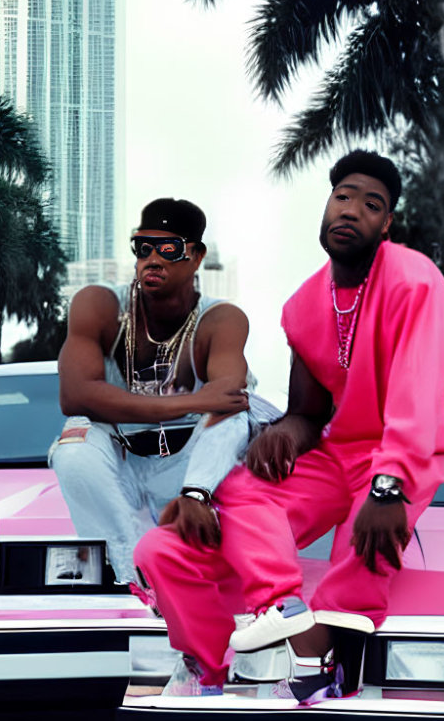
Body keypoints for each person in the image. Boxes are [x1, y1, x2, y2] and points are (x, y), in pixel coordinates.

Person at [135, 151, 444, 697]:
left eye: (370, 204)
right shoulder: (302, 305)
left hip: (401, 455)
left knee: (364, 550)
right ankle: (239, 642)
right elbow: (309, 413)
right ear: (327, 206)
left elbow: (417, 397)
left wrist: (389, 487)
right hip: (335, 455)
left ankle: (318, 669)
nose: (352, 210)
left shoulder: (413, 279)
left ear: (387, 223)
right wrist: (284, 432)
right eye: (343, 197)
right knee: (180, 533)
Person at [50, 197, 277, 586]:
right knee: (73, 446)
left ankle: (197, 499)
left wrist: (202, 414)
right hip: (119, 459)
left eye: (168, 248)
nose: (152, 259)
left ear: (196, 255)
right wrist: (193, 401)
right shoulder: (99, 304)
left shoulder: (220, 319)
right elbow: (75, 396)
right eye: (143, 248)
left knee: (238, 414)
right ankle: (133, 577)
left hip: (191, 464)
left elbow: (229, 397)